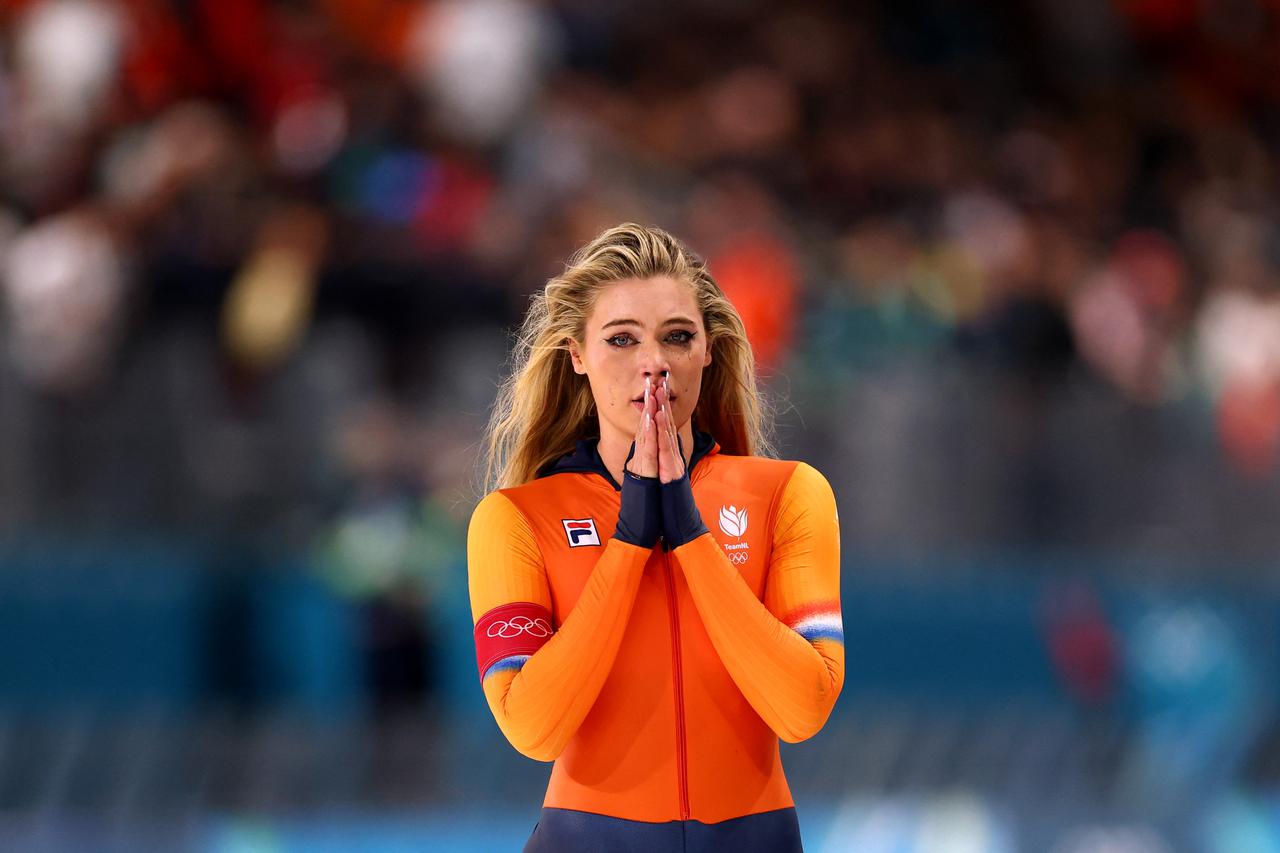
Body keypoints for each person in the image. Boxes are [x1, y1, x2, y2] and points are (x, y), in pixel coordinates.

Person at [468, 223, 844, 852]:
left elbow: (802, 710)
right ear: (577, 356)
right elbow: (533, 728)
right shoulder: (516, 519)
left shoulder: (789, 495)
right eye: (621, 339)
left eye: (677, 337)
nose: (654, 363)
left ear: (708, 351)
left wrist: (692, 537)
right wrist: (631, 542)